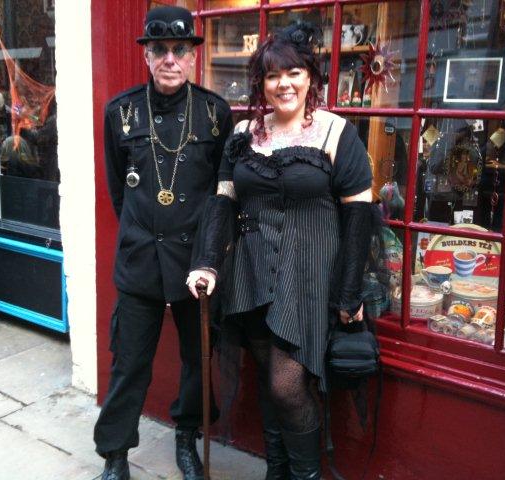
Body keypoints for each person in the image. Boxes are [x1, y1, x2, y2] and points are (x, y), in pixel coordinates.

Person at [187, 23, 377, 480]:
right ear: (261, 84)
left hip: (309, 276)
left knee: (288, 385)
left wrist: (348, 294)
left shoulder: (336, 133)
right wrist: (208, 262)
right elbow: (222, 201)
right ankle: (278, 472)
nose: (283, 84)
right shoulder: (243, 133)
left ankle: (305, 476)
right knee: (268, 385)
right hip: (251, 272)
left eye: (293, 72)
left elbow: (357, 219)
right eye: (273, 76)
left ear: (310, 77)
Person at [94, 6, 233, 480]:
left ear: (193, 55)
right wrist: (140, 232)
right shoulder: (121, 111)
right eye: (159, 50)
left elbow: (221, 193)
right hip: (140, 259)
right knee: (129, 361)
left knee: (198, 360)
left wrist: (210, 256)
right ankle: (115, 456)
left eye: (179, 50)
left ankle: (186, 436)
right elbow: (119, 190)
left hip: (196, 260)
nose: (170, 59)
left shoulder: (216, 113)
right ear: (147, 57)